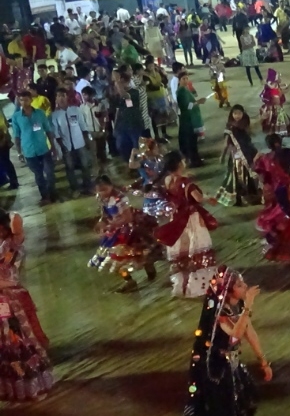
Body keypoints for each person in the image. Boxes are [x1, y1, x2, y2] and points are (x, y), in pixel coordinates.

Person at [183, 266, 271, 416]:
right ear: (229, 291)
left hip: (231, 363)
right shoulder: (220, 312)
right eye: (240, 285)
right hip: (215, 369)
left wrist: (263, 361)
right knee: (225, 409)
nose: (245, 287)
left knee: (248, 398)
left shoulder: (236, 306)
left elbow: (249, 332)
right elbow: (236, 333)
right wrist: (249, 304)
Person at [0, 209, 54, 401]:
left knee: (17, 341)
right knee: (4, 343)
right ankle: (10, 387)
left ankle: (31, 384)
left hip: (11, 299)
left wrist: (8, 216)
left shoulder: (12, 245)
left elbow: (16, 220)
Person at [154, 151, 219, 298]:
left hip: (177, 220)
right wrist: (209, 198)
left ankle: (180, 286)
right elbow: (198, 198)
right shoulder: (186, 183)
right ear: (179, 164)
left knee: (182, 253)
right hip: (191, 220)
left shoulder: (167, 180)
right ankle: (198, 287)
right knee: (198, 252)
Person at [90, 175, 159, 292]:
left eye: (105, 189)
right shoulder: (101, 198)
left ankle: (148, 266)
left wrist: (113, 225)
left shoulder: (120, 198)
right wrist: (101, 223)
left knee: (129, 258)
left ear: (111, 186)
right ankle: (130, 281)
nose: (102, 193)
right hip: (114, 230)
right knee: (114, 260)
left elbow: (128, 217)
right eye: (99, 191)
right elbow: (105, 214)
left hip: (129, 231)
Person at [10, 90, 57, 205]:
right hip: (29, 152)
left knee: (50, 173)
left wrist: (53, 146)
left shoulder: (40, 113)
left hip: (43, 149)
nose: (24, 102)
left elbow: (48, 130)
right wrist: (19, 153)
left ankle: (53, 195)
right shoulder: (16, 117)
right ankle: (45, 197)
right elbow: (17, 136)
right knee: (39, 175)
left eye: (26, 99)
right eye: (21, 100)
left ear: (31, 100)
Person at [215, 106, 261, 207]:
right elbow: (226, 143)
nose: (237, 116)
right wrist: (222, 156)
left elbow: (250, 134)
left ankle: (250, 197)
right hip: (237, 157)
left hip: (248, 154)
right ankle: (239, 199)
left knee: (250, 176)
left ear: (243, 114)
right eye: (235, 113)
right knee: (238, 179)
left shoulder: (245, 124)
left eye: (239, 113)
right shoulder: (230, 127)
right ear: (231, 114)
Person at [51, 88, 94, 196]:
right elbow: (56, 133)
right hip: (66, 146)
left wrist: (87, 140)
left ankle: (88, 186)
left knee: (85, 165)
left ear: (67, 97)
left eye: (63, 95)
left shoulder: (75, 110)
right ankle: (75, 188)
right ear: (56, 99)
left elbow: (83, 126)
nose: (61, 98)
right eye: (59, 96)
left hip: (79, 143)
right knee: (69, 167)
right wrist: (61, 146)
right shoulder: (55, 115)